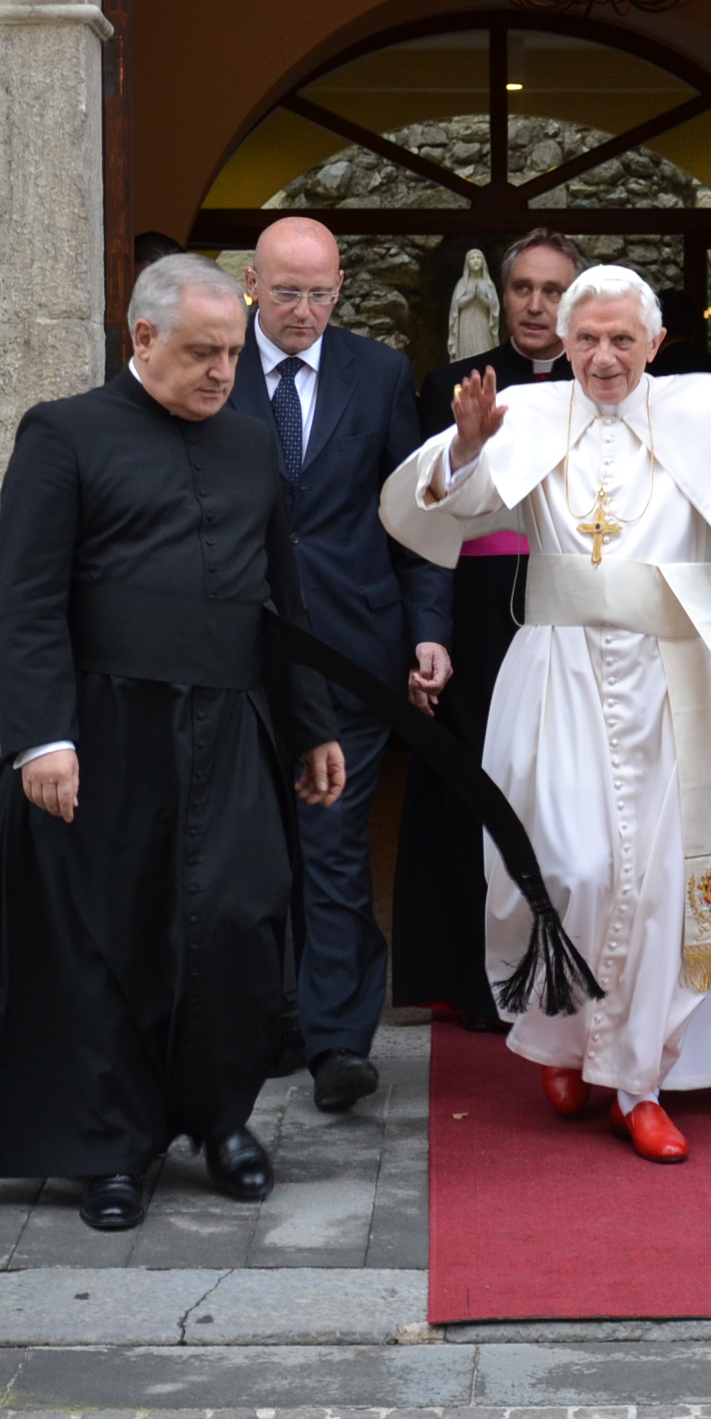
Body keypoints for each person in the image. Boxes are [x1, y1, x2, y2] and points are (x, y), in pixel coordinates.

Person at [380, 264, 711, 1162]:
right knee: (563, 869)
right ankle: (561, 1035)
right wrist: (461, 448)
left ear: (655, 343)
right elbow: (445, 511)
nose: (604, 357)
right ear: (564, 344)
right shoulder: (526, 416)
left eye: (623, 340)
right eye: (588, 340)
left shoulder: (700, 410)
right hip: (559, 675)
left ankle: (638, 1080)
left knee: (661, 890)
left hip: (674, 683)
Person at [0, 255, 347, 1231]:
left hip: (231, 731)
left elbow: (282, 600)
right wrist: (41, 738)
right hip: (103, 733)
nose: (224, 372)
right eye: (202, 352)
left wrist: (309, 725)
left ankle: (220, 1122)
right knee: (108, 944)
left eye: (233, 353)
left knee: (236, 927)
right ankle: (109, 1146)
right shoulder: (65, 434)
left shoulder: (250, 447)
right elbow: (25, 601)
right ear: (143, 339)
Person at [227, 217, 452, 1113]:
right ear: (252, 283)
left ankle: (336, 1043)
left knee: (332, 850)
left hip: (353, 649)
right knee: (247, 848)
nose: (305, 311)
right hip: (238, 651)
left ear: (342, 287)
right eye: (287, 292)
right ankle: (261, 1022)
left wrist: (428, 627)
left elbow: (415, 515)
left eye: (322, 293)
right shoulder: (218, 362)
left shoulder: (380, 373)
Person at [396, 228, 587, 1028]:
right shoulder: (450, 383)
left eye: (554, 291)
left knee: (570, 799)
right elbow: (425, 525)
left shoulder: (601, 380)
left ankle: (570, 964)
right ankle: (476, 979)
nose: (537, 305)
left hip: (574, 609)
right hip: (477, 612)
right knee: (471, 787)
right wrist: (427, 629)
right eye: (524, 289)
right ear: (500, 295)